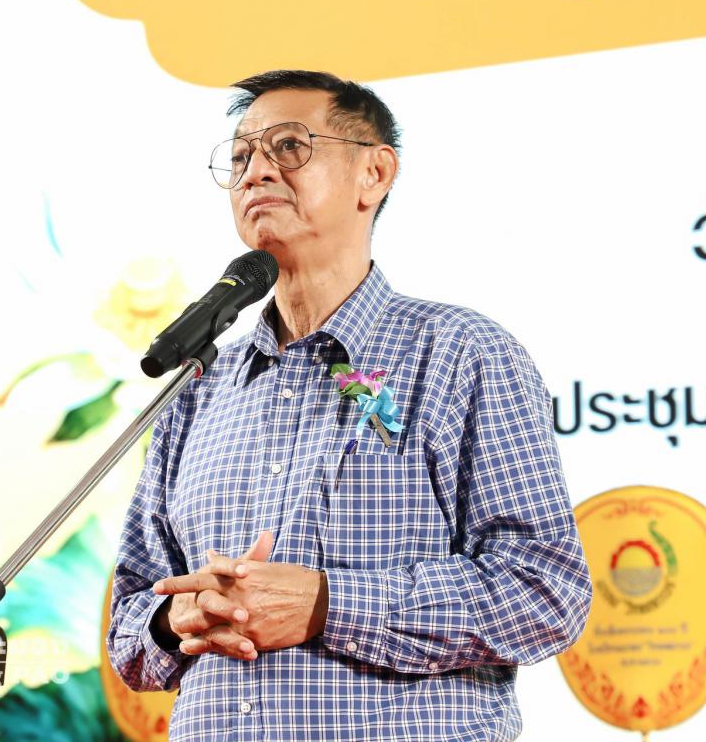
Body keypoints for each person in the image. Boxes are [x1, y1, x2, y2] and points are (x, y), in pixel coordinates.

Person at [107, 70, 592, 741]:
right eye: (241, 157)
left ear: (374, 173)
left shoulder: (461, 353)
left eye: (288, 147)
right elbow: (128, 632)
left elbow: (544, 591)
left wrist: (329, 605)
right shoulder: (199, 390)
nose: (255, 172)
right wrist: (176, 618)